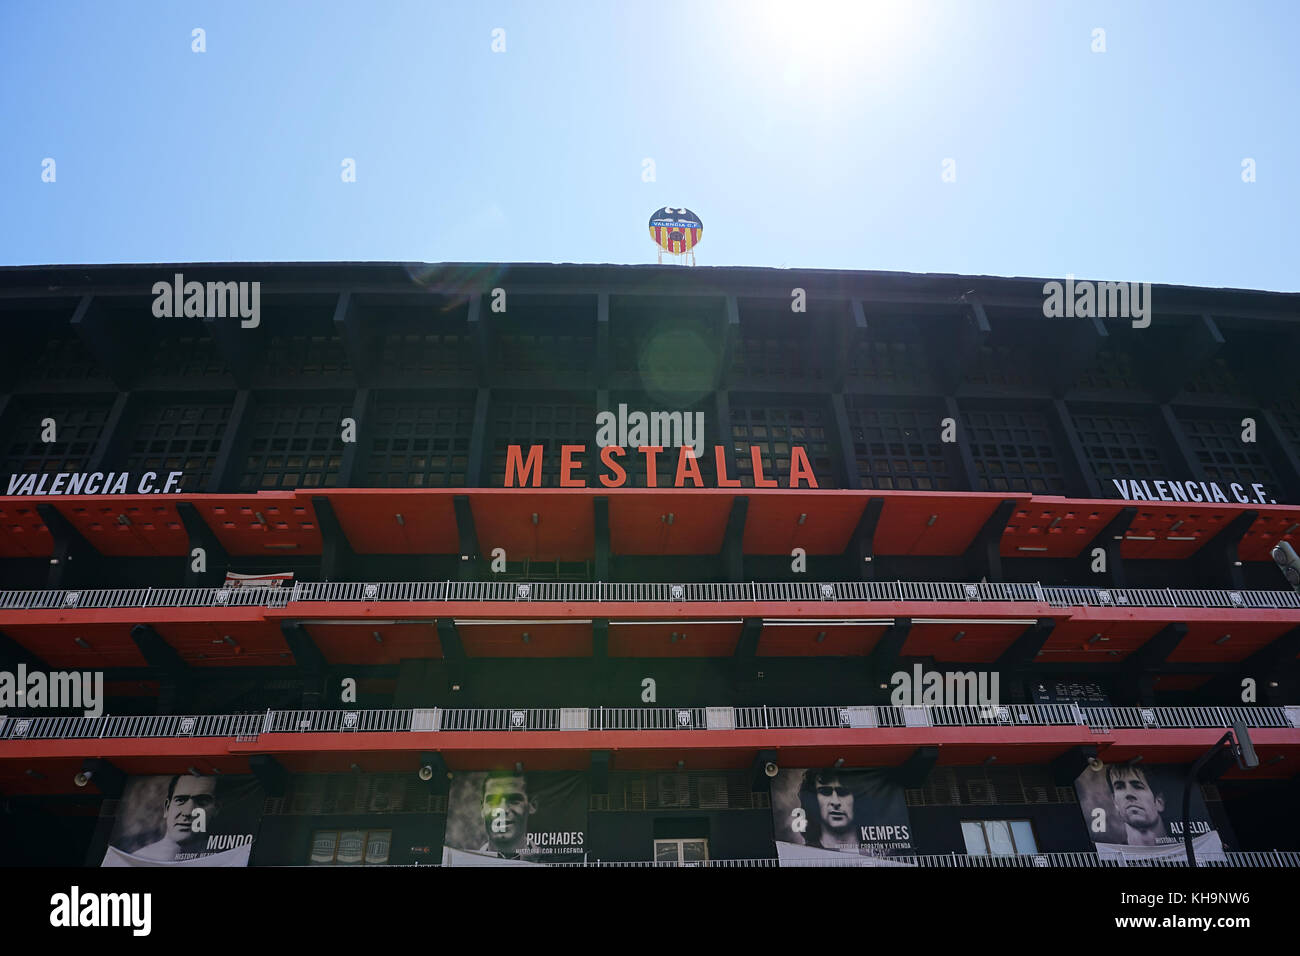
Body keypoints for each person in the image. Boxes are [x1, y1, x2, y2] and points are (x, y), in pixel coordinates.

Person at [133, 775, 221, 861]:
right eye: (180, 800)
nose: (188, 812)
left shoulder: (221, 860)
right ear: (167, 808)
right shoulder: (138, 859)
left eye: (202, 801)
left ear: (216, 810)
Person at [797, 769, 869, 851]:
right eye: (825, 792)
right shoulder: (804, 854)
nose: (835, 802)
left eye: (843, 792)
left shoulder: (880, 852)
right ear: (814, 801)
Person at [478, 772, 537, 859]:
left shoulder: (551, 860)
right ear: (482, 809)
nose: (502, 809)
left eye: (514, 800)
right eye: (493, 802)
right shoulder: (464, 862)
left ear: (532, 805)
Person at [1106, 765, 1168, 846]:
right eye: (1120, 787)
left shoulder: (1184, 847)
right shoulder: (1110, 855)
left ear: (1159, 801)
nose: (1129, 794)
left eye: (1138, 787)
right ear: (1115, 802)